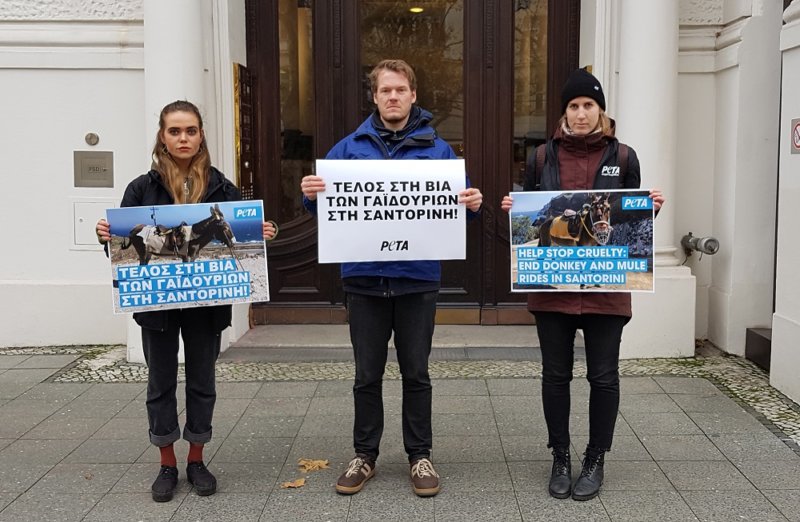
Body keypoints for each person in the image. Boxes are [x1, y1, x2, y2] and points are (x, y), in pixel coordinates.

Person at [300, 59, 483, 497]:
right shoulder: (347, 149)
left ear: (413, 94)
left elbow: (454, 214)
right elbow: (328, 212)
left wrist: (471, 203)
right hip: (364, 281)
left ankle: (420, 456)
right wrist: (310, 198)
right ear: (375, 96)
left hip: (416, 280)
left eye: (401, 89)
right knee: (367, 375)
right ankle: (365, 455)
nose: (394, 97)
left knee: (417, 373)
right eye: (386, 91)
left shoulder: (439, 152)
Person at [95, 100, 278, 503]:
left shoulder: (221, 186)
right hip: (158, 307)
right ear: (162, 136)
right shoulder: (140, 188)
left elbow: (238, 233)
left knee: (202, 382)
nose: (183, 138)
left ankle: (196, 459)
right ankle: (167, 463)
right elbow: (123, 253)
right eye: (175, 131)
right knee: (160, 384)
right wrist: (107, 235)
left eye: (190, 131)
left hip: (207, 307)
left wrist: (261, 232)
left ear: (201, 136)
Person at [501, 69, 665, 501]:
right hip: (552, 289)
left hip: (606, 292)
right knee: (555, 377)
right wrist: (514, 210)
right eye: (573, 106)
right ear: (564, 112)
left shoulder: (625, 157)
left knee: (604, 377)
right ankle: (560, 456)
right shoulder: (541, 158)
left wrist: (651, 210)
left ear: (600, 110)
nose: (579, 113)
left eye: (588, 105)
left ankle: (595, 458)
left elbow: (630, 220)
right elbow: (535, 214)